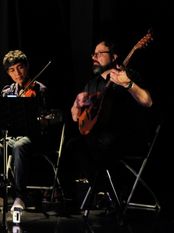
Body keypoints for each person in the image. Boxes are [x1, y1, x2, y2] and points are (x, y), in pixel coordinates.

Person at [62, 38, 154, 210]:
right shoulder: (92, 84)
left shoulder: (127, 75)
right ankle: (100, 192)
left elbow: (148, 101)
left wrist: (128, 84)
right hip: (99, 140)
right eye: (93, 54)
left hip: (126, 138)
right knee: (73, 145)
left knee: (98, 143)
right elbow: (76, 117)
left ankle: (109, 193)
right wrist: (76, 104)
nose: (94, 57)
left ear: (114, 56)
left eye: (99, 54)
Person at [0, 49, 48, 213]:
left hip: (34, 137)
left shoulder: (39, 90)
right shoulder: (8, 91)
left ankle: (20, 197)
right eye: (12, 70)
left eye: (20, 67)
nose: (17, 73)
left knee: (20, 145)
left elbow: (46, 121)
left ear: (26, 67)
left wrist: (40, 116)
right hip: (14, 136)